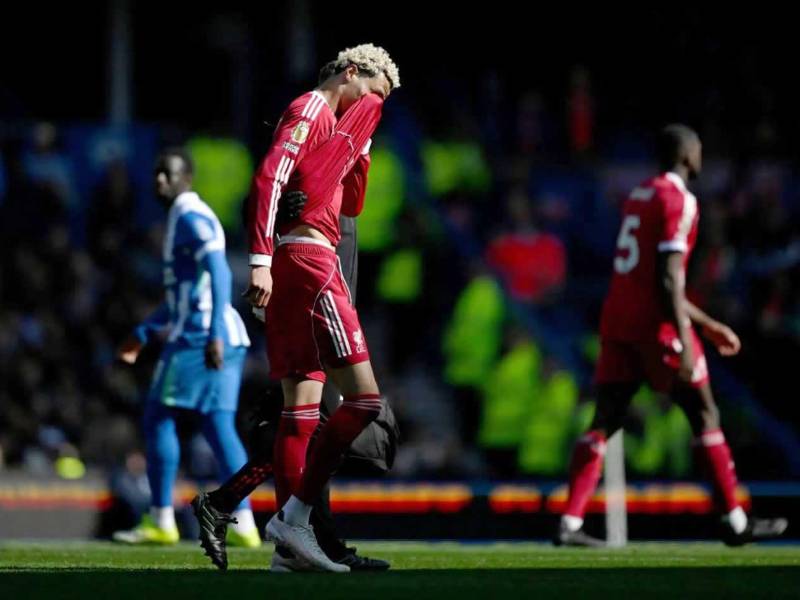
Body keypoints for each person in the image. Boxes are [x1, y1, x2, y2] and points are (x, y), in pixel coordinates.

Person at [194, 44, 399, 573]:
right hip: (309, 260)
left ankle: (288, 547)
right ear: (352, 73)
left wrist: (361, 148)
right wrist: (259, 259)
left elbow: (351, 203)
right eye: (373, 95)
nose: (371, 107)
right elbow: (269, 177)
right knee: (364, 403)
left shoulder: (334, 129)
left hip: (300, 258)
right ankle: (296, 520)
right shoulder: (310, 108)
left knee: (300, 410)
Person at [555, 125, 788, 547]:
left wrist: (706, 325)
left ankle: (569, 522)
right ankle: (735, 523)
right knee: (704, 414)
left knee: (604, 420)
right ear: (687, 155)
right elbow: (667, 279)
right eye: (699, 148)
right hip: (656, 326)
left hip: (617, 319)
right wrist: (686, 335)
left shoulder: (641, 194)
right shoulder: (679, 199)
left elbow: (645, 274)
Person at [112, 148, 259, 548]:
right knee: (217, 424)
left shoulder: (191, 218)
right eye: (158, 174)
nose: (160, 181)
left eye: (169, 174)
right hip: (226, 334)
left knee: (158, 416)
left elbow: (220, 271)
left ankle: (161, 517)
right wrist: (144, 331)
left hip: (202, 336)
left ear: (187, 178)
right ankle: (244, 522)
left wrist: (211, 333)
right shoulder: (185, 218)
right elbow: (187, 292)